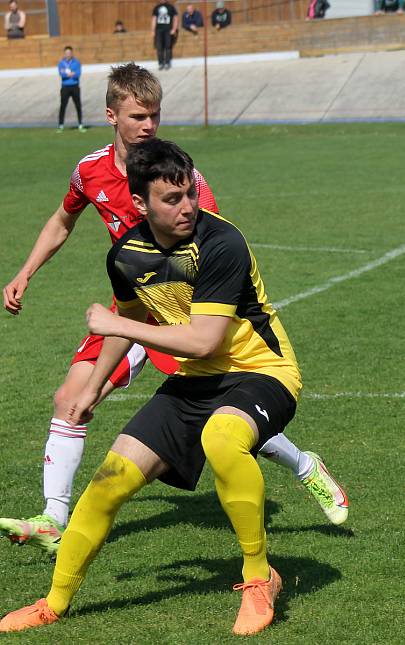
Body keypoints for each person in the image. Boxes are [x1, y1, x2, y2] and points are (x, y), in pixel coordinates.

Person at [0, 63, 348, 557]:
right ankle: (54, 517)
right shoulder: (88, 170)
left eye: (155, 116)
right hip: (132, 309)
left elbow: (212, 248)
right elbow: (62, 221)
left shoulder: (183, 180)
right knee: (71, 398)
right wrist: (25, 272)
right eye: (138, 116)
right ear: (111, 117)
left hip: (185, 317)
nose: (148, 126)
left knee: (220, 419)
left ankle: (304, 466)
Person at [0, 138, 302, 635]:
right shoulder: (126, 254)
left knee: (221, 442)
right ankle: (52, 603)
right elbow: (133, 314)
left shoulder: (221, 242)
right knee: (107, 483)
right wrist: (94, 387)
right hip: (193, 382)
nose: (187, 207)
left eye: (188, 194)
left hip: (263, 372)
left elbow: (203, 341)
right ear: (139, 204)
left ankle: (258, 577)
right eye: (171, 199)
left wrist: (115, 326)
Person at [57, 47, 86, 133]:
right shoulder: (61, 63)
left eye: (69, 53)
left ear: (72, 53)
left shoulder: (76, 62)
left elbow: (78, 74)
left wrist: (69, 74)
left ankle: (80, 124)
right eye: (66, 53)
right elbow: (62, 74)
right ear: (64, 54)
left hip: (75, 86)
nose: (68, 54)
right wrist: (70, 74)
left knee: (78, 106)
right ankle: (60, 125)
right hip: (65, 87)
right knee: (63, 106)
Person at [152, 1, 178, 70]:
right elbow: (154, 19)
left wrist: (174, 29)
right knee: (159, 47)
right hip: (158, 30)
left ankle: (167, 63)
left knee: (168, 46)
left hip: (168, 30)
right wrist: (153, 30)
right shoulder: (156, 7)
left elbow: (175, 18)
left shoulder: (171, 7)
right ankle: (160, 63)